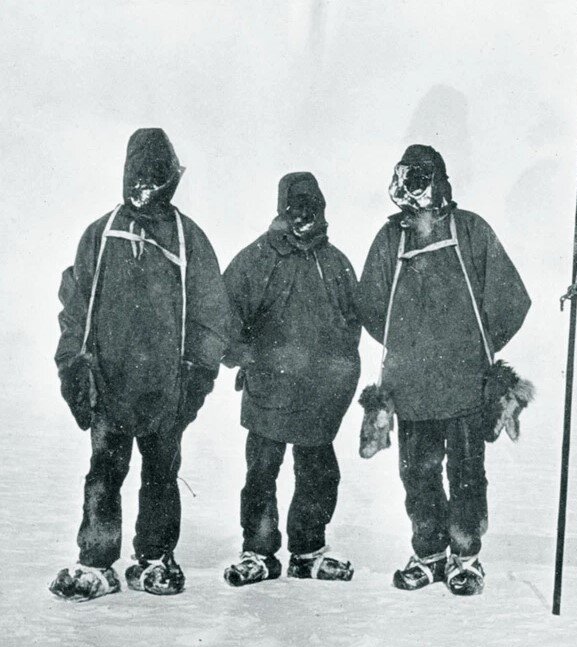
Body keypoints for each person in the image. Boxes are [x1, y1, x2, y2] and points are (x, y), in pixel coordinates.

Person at [51, 128, 230, 601]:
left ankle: (153, 558)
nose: (145, 186)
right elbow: (76, 305)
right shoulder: (100, 233)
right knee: (104, 472)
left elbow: (213, 315)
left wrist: (197, 376)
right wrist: (72, 365)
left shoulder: (188, 238)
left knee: (160, 474)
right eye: (137, 175)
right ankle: (95, 562)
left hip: (165, 387)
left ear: (170, 179)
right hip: (109, 381)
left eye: (155, 176)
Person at [356, 145, 530, 596]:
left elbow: (511, 298)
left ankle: (466, 558)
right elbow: (371, 305)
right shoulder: (391, 238)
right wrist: (408, 347)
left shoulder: (471, 230)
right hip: (411, 386)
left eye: (421, 179)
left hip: (466, 386)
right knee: (418, 472)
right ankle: (429, 554)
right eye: (406, 179)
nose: (412, 190)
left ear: (439, 181)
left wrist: (476, 347)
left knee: (467, 472)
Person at [221, 172, 360, 587]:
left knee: (318, 472)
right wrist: (245, 357)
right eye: (295, 208)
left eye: (311, 208)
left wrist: (339, 373)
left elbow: (353, 320)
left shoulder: (334, 263)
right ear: (283, 209)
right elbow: (226, 314)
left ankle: (308, 550)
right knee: (262, 472)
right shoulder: (257, 258)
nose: (304, 216)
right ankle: (259, 551)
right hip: (269, 393)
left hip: (319, 397)